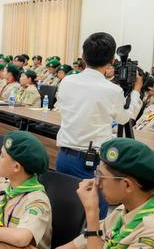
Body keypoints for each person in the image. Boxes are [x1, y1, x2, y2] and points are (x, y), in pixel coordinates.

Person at [55, 32, 143, 217]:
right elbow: (124, 119)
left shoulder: (67, 81)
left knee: (64, 210)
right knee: (94, 216)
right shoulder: (112, 90)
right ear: (112, 60)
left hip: (64, 155)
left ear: (83, 56)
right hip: (90, 162)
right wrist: (136, 91)